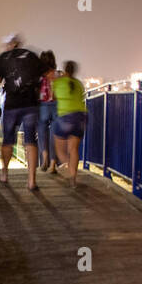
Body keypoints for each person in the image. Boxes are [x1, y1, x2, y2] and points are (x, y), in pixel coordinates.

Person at [0, 33, 43, 190]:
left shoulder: (2, 59)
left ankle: (4, 174)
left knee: (7, 140)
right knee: (31, 140)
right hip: (31, 104)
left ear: (8, 45)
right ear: (19, 44)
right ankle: (31, 181)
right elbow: (48, 76)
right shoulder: (31, 56)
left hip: (12, 105)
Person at [51, 60, 87, 188]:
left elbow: (53, 97)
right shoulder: (78, 84)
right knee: (74, 149)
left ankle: (68, 166)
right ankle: (73, 177)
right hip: (80, 116)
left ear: (64, 70)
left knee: (60, 150)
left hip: (64, 117)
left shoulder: (57, 82)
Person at [36, 50, 59, 173]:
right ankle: (53, 164)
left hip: (42, 105)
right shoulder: (57, 75)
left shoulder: (39, 76)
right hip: (56, 105)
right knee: (54, 135)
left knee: (42, 133)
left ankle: (44, 159)